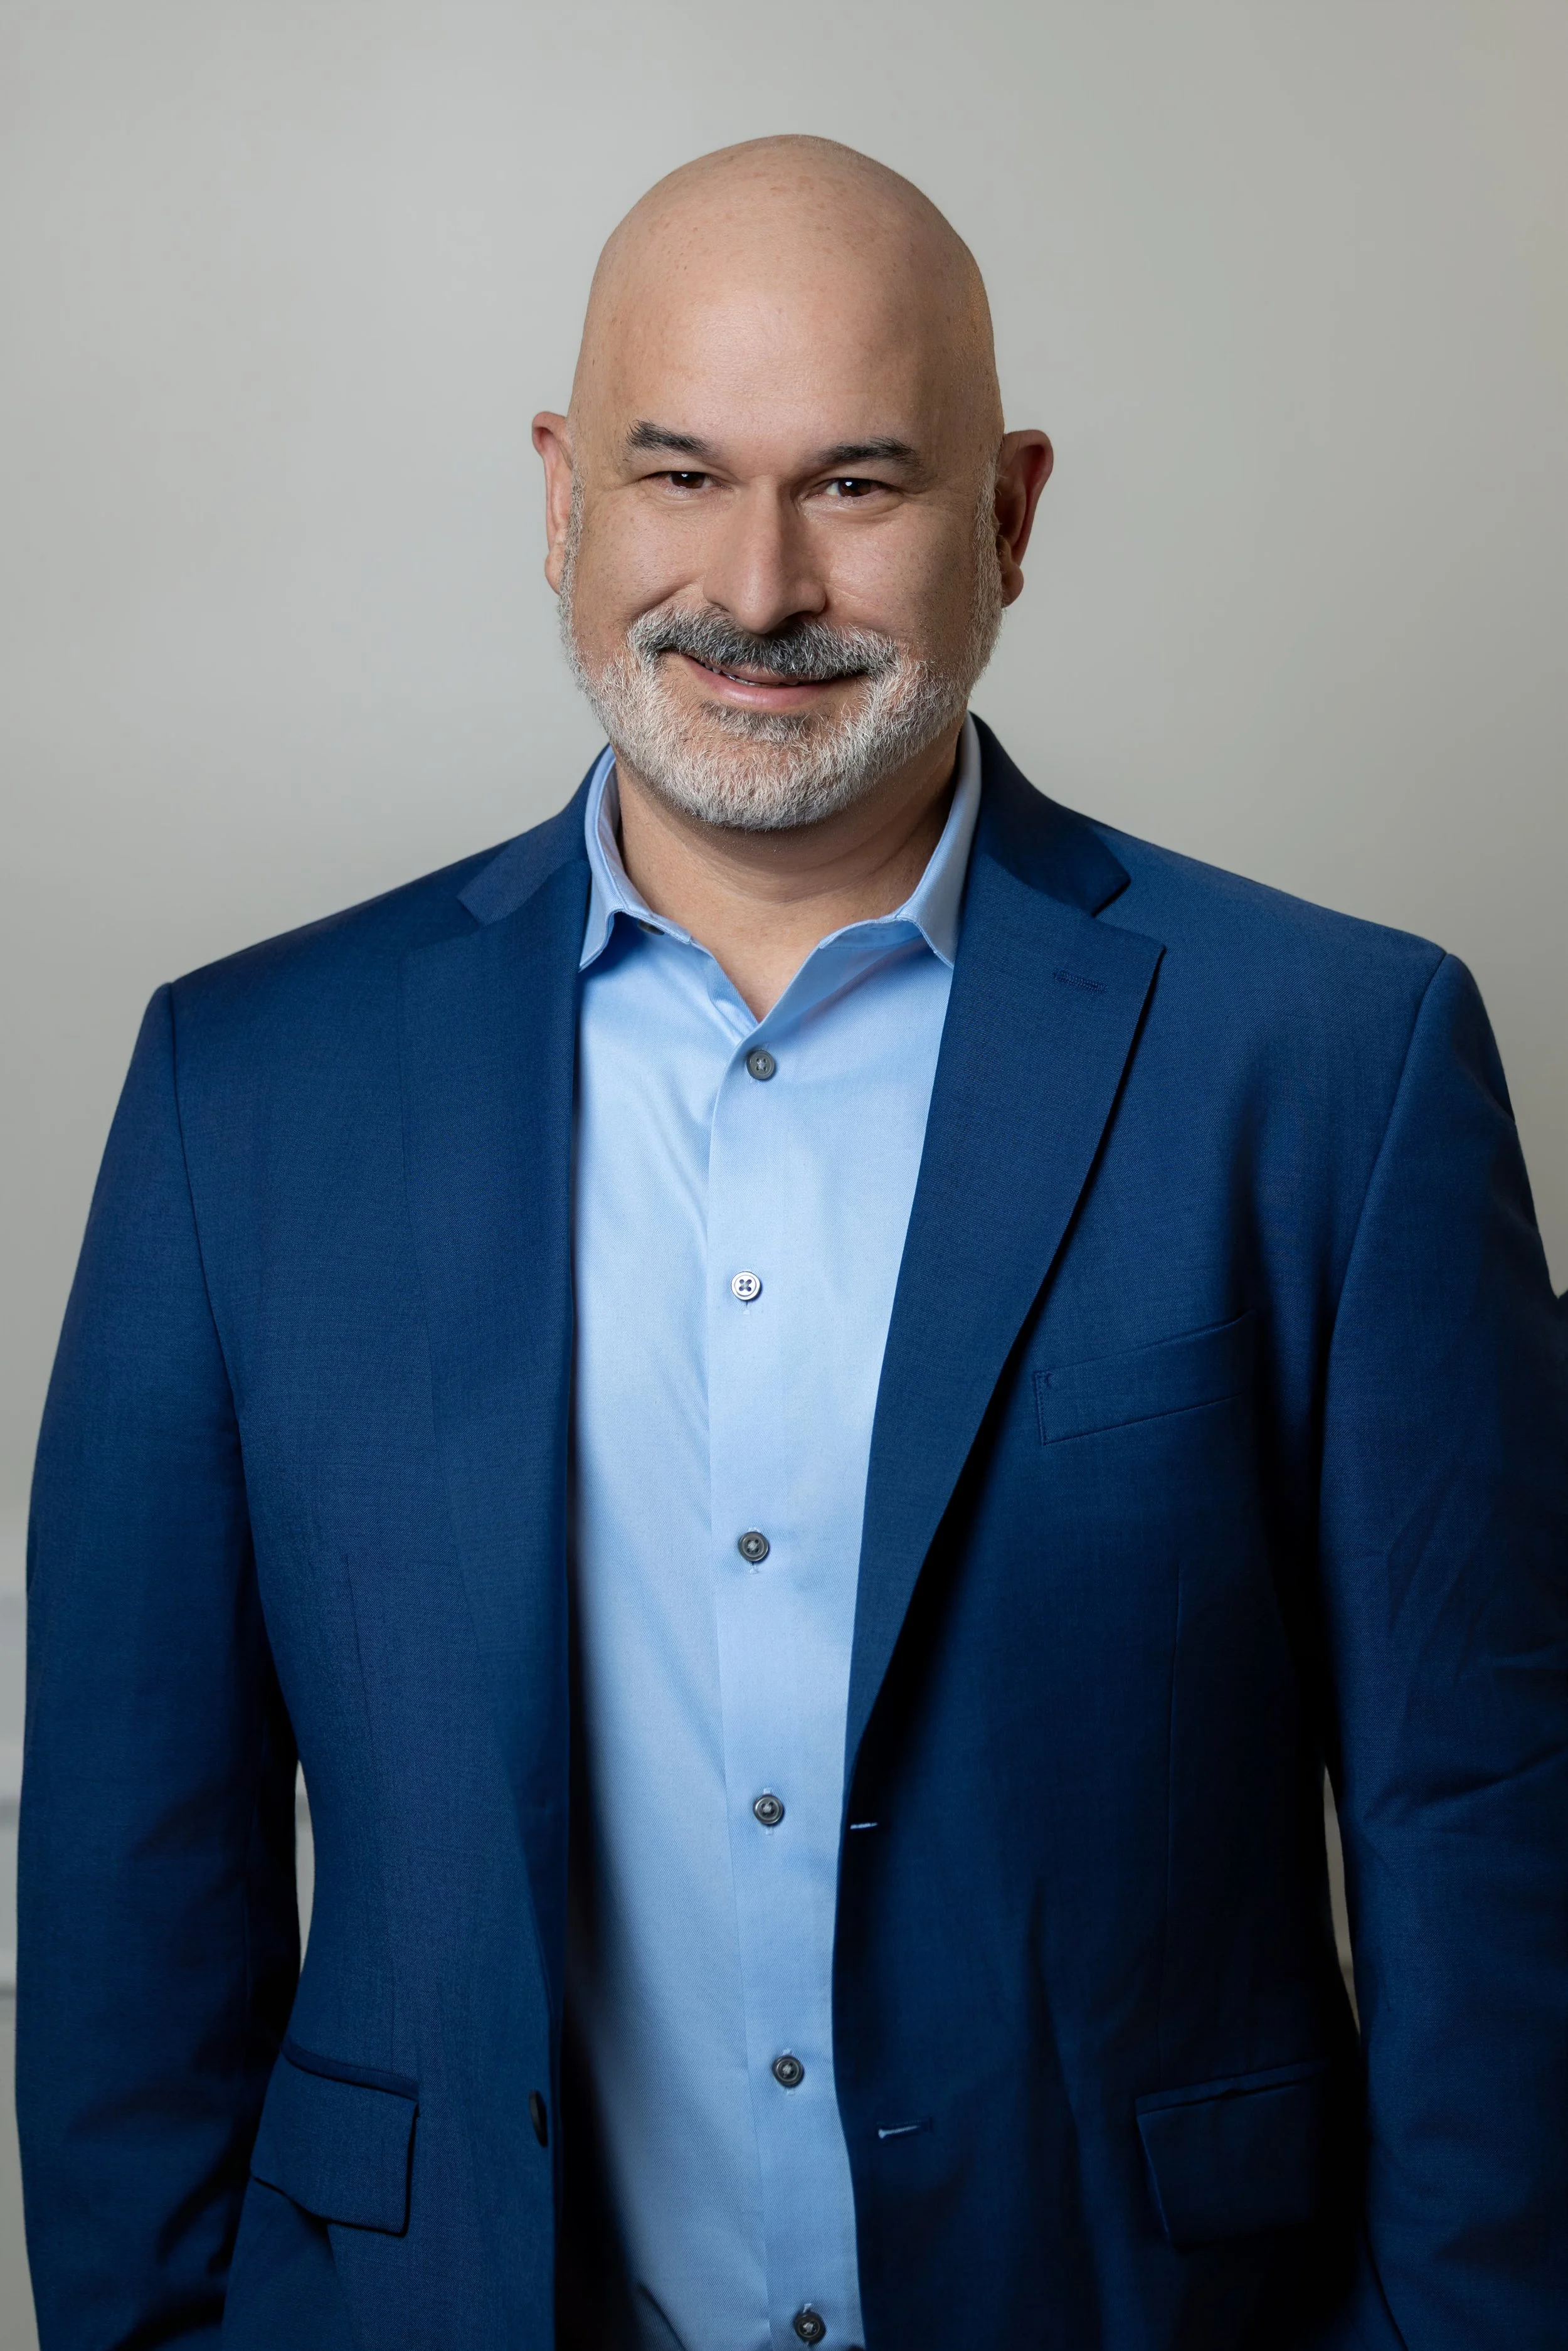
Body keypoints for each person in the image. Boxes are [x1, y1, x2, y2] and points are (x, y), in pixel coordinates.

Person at [17, 133, 1565, 2351]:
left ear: (1006, 516)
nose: (755, 589)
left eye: (855, 483)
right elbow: (126, 1880)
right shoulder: (244, 1090)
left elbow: (1488, 1833)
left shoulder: (1335, 1062)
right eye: (677, 474)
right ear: (559, 494)